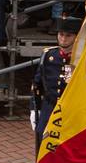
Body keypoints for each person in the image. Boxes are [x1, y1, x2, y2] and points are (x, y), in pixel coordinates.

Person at [30, 13, 81, 151]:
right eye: (61, 34)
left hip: (71, 111)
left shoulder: (82, 60)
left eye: (68, 35)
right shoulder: (48, 55)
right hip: (49, 107)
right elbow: (37, 84)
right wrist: (34, 109)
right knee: (43, 144)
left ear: (77, 37)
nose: (63, 39)